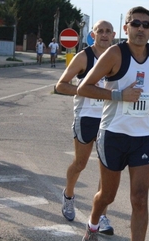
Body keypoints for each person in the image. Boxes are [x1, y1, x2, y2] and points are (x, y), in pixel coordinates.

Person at [77, 6, 149, 241]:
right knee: (107, 195)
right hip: (113, 134)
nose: (141, 28)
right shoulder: (114, 54)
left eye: (146, 25)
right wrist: (120, 96)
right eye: (135, 23)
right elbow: (84, 87)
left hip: (143, 137)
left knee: (139, 198)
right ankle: (93, 223)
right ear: (126, 27)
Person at [55, 20, 116, 235]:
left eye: (108, 31)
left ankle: (101, 215)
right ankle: (69, 196)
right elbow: (60, 85)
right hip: (86, 117)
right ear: (93, 34)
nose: (104, 35)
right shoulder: (84, 57)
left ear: (114, 34)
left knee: (107, 168)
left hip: (109, 119)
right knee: (80, 163)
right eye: (100, 31)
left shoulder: (117, 57)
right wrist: (84, 91)